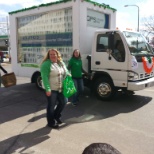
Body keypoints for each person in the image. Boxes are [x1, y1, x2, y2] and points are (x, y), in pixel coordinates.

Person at [40, 49, 69, 129]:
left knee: (64, 101)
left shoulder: (61, 63)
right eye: (51, 54)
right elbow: (44, 77)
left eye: (54, 54)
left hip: (61, 88)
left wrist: (68, 74)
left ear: (57, 55)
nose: (53, 56)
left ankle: (56, 116)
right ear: (49, 56)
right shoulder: (46, 64)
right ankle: (51, 122)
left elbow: (65, 71)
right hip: (52, 89)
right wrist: (47, 89)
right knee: (51, 106)